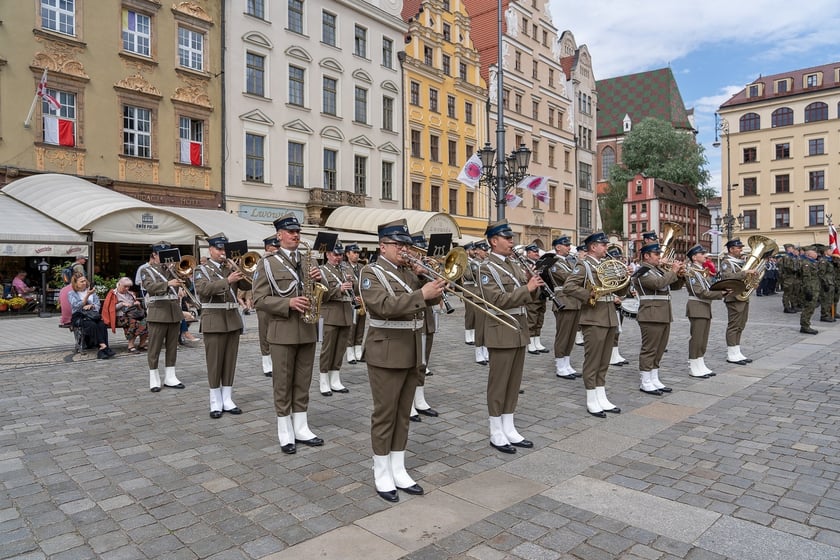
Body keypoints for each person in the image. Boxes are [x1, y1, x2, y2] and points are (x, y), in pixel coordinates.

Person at [359, 218, 444, 502]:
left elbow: (426, 301)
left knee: (403, 414)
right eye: (399, 244)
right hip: (385, 351)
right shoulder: (370, 272)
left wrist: (424, 278)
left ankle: (399, 466)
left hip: (411, 350)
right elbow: (383, 306)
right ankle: (381, 470)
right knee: (385, 414)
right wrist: (422, 293)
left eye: (407, 244)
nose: (405, 250)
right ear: (383, 245)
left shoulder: (408, 272)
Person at [252, 215, 323, 453]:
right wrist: (288, 303)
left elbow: (322, 292)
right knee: (282, 382)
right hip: (282, 331)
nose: (295, 235)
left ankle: (301, 426)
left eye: (297, 231)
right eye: (290, 231)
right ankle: (285, 430)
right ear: (279, 235)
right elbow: (259, 300)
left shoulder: (308, 261)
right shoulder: (267, 263)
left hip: (307, 329)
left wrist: (319, 280)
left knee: (303, 381)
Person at [478, 219, 543, 453]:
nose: (511, 241)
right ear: (494, 241)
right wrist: (527, 288)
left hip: (518, 328)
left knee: (514, 382)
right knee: (499, 382)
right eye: (507, 238)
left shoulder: (515, 265)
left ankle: (509, 425)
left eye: (511, 237)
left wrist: (532, 284)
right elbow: (496, 301)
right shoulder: (486, 268)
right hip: (501, 328)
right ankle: (496, 429)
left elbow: (529, 298)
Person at [564, 232, 628, 417]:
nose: (606, 248)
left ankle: (601, 395)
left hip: (608, 316)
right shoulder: (583, 265)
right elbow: (569, 287)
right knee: (593, 360)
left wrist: (624, 277)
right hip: (593, 317)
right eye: (603, 245)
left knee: (604, 360)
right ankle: (591, 398)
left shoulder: (606, 265)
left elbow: (619, 288)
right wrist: (589, 295)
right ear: (593, 246)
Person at [194, 234, 245, 419]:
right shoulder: (201, 269)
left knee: (230, 361)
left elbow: (248, 284)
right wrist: (228, 280)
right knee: (215, 362)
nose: (222, 253)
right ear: (211, 250)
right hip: (214, 319)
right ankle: (215, 401)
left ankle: (228, 398)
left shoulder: (230, 268)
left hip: (232, 319)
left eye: (224, 250)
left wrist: (239, 268)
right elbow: (203, 290)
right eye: (219, 249)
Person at [632, 243, 684, 395]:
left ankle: (654, 377)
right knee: (650, 348)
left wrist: (680, 275)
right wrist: (673, 270)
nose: (659, 257)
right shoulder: (642, 271)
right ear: (647, 256)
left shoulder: (658, 270)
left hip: (663, 313)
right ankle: (645, 380)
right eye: (656, 254)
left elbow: (673, 286)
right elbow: (658, 284)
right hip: (650, 314)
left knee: (660, 348)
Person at [140, 243, 186, 393]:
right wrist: (168, 283)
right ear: (154, 255)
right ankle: (154, 377)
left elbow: (187, 284)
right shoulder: (146, 270)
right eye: (163, 254)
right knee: (155, 347)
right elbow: (150, 287)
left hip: (173, 311)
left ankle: (170, 376)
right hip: (158, 312)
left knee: (172, 346)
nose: (167, 258)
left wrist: (181, 275)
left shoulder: (174, 269)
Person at [317, 241, 354, 396]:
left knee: (340, 348)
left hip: (345, 313)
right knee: (328, 349)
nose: (338, 258)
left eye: (340, 254)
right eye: (335, 254)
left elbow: (356, 290)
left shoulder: (346, 270)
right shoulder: (322, 271)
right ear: (327, 254)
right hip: (330, 314)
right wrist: (338, 289)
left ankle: (335, 377)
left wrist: (353, 281)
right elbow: (322, 295)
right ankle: (323, 379)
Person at [684, 245, 726, 377]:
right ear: (694, 257)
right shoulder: (691, 271)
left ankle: (700, 362)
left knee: (703, 338)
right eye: (702, 254)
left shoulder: (702, 270)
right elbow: (700, 292)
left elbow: (709, 288)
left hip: (704, 306)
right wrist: (721, 294)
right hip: (697, 306)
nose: (704, 256)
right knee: (697, 338)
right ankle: (693, 365)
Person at [720, 238, 759, 364]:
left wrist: (753, 280)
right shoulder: (726, 262)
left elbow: (745, 278)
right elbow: (727, 277)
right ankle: (731, 353)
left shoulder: (740, 262)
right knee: (734, 326)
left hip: (743, 296)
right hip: (733, 297)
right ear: (731, 249)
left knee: (741, 325)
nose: (741, 250)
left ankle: (737, 351)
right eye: (738, 248)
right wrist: (745, 273)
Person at [549, 236, 580, 379]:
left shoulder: (570, 261)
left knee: (571, 335)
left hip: (574, 301)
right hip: (563, 300)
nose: (569, 247)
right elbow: (568, 278)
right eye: (566, 245)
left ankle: (567, 363)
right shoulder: (553, 263)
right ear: (557, 247)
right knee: (563, 335)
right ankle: (560, 365)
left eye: (569, 245)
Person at [68, 275, 114, 360]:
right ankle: (104, 346)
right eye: (81, 281)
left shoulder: (92, 292)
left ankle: (102, 349)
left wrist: (91, 306)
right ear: (76, 283)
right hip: (79, 316)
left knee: (102, 325)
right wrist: (87, 295)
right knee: (92, 325)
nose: (84, 283)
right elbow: (77, 306)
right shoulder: (72, 294)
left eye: (85, 281)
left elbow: (98, 305)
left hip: (92, 315)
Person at [103, 277, 148, 353]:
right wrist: (122, 304)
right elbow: (110, 309)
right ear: (119, 284)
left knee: (146, 322)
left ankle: (142, 344)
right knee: (134, 323)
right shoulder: (113, 294)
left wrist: (137, 304)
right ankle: (131, 346)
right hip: (119, 317)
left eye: (128, 287)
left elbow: (137, 308)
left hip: (133, 315)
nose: (127, 288)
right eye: (125, 286)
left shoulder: (131, 294)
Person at [257, 234, 280, 377]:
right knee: (264, 333)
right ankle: (266, 362)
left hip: (278, 302)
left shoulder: (280, 261)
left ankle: (276, 360)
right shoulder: (262, 262)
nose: (277, 249)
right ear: (267, 247)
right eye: (275, 247)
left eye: (279, 246)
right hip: (265, 302)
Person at [522, 244, 548, 354]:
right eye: (534, 252)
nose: (537, 253)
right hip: (532, 294)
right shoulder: (524, 264)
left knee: (540, 319)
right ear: (528, 253)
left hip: (541, 294)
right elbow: (524, 279)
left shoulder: (539, 264)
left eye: (537, 251)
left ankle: (537, 340)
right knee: (532, 319)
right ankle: (531, 343)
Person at [344, 243, 367, 364]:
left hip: (361, 300)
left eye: (358, 253)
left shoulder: (362, 267)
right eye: (354, 252)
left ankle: (358, 349)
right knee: (351, 327)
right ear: (347, 254)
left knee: (361, 326)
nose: (357, 255)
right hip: (350, 301)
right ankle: (350, 352)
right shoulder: (343, 267)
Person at [471, 240, 491, 365]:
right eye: (483, 250)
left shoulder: (485, 263)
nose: (486, 252)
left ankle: (485, 349)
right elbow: (479, 275)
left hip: (487, 297)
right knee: (480, 327)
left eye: (486, 250)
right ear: (477, 251)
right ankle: (479, 352)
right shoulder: (474, 263)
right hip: (479, 297)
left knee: (487, 326)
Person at [799, 245, 820, 334]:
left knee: (811, 307)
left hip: (814, 288)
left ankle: (806, 324)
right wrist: (808, 290)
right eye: (814, 252)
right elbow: (806, 278)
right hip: (810, 288)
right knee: (808, 307)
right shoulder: (806, 264)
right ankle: (805, 326)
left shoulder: (813, 262)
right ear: (809, 254)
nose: (816, 254)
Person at [461, 242, 477, 346]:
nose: (475, 252)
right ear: (467, 251)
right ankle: (468, 336)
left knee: (476, 315)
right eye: (472, 250)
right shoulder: (465, 263)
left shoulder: (475, 262)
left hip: (475, 291)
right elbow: (468, 276)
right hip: (469, 290)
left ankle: (474, 335)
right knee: (470, 315)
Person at [778, 243, 801, 314]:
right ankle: (787, 307)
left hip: (794, 277)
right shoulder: (786, 257)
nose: (793, 249)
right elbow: (789, 267)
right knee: (787, 293)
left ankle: (794, 306)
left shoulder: (794, 257)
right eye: (792, 248)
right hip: (788, 278)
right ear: (788, 249)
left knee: (794, 293)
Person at [818, 247, 835, 322]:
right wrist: (825, 284)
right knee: (825, 300)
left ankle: (829, 314)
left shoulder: (830, 260)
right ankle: (824, 315)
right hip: (826, 283)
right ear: (825, 252)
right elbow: (821, 274)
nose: (831, 251)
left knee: (830, 299)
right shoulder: (823, 261)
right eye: (830, 250)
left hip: (831, 282)